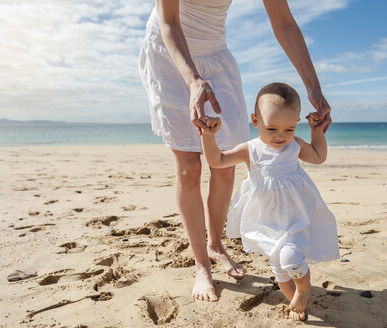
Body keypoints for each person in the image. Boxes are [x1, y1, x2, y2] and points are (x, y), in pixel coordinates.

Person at [138, 0, 332, 302]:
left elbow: (284, 23)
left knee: (225, 166)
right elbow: (169, 23)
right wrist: (193, 81)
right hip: (171, 53)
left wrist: (314, 88)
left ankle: (216, 245)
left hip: (216, 56)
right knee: (190, 168)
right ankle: (202, 264)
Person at [200, 82, 340, 320]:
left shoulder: (294, 146)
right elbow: (216, 161)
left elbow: (318, 157)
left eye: (289, 129)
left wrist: (316, 133)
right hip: (266, 222)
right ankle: (297, 301)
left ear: (297, 124)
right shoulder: (250, 149)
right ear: (255, 122)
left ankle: (304, 291)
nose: (280, 136)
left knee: (290, 258)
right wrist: (208, 136)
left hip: (295, 217)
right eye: (272, 128)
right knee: (280, 269)